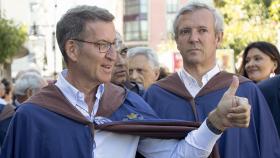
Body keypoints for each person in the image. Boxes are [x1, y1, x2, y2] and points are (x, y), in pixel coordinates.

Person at [1, 5, 250, 158]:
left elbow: (178, 156)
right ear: (72, 50)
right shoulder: (33, 116)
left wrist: (215, 123)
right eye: (102, 46)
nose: (113, 56)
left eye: (114, 46)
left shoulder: (125, 104)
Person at [144, 2, 280, 158]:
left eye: (202, 30)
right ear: (177, 40)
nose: (194, 38)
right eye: (185, 31)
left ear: (218, 37)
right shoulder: (156, 95)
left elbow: (270, 149)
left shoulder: (246, 90)